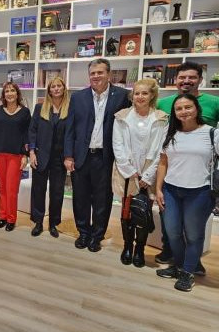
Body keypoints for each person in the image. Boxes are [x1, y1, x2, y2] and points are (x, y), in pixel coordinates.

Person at [155, 94, 219, 292]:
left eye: (188, 107)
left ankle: (188, 272)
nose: (183, 112)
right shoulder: (170, 133)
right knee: (172, 232)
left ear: (197, 108)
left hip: (200, 192)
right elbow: (163, 162)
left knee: (194, 234)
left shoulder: (213, 133)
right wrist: (158, 189)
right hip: (171, 189)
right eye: (179, 109)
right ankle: (180, 265)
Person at [155, 61, 219, 268]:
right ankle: (174, 255)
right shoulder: (163, 103)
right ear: (175, 81)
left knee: (193, 225)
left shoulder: (216, 102)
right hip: (172, 172)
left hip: (200, 176)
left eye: (191, 77)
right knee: (171, 224)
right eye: (182, 77)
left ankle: (191, 266)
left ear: (200, 79)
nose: (186, 81)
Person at [64, 58, 131, 252]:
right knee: (80, 197)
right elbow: (70, 129)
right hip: (81, 156)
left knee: (102, 199)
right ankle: (83, 232)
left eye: (100, 72)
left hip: (106, 157)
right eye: (92, 73)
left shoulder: (122, 96)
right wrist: (68, 155)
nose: (96, 76)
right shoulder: (78, 97)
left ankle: (97, 235)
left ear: (109, 74)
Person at [112, 79, 169, 268]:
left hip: (149, 172)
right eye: (137, 93)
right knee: (127, 212)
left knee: (143, 212)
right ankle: (127, 246)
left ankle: (140, 249)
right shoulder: (122, 117)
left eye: (144, 93)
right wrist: (129, 171)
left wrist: (148, 175)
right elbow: (117, 145)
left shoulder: (161, 119)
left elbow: (162, 149)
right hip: (127, 172)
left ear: (152, 95)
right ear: (132, 95)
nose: (140, 97)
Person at [28, 76, 70, 238]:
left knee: (57, 192)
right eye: (53, 86)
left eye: (59, 86)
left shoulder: (70, 108)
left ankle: (53, 223)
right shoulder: (40, 108)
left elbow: (72, 134)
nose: (56, 89)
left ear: (64, 88)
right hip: (41, 156)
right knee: (38, 190)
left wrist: (69, 156)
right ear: (49, 90)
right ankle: (38, 222)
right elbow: (32, 131)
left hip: (60, 158)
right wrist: (32, 152)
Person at [0, 83, 30, 231]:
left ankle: (12, 219)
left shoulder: (25, 112)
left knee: (12, 189)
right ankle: (3, 216)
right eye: (7, 91)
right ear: (3, 95)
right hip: (0, 153)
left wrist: (25, 155)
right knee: (2, 188)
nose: (10, 93)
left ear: (17, 94)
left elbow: (27, 135)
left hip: (16, 155)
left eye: (12, 90)